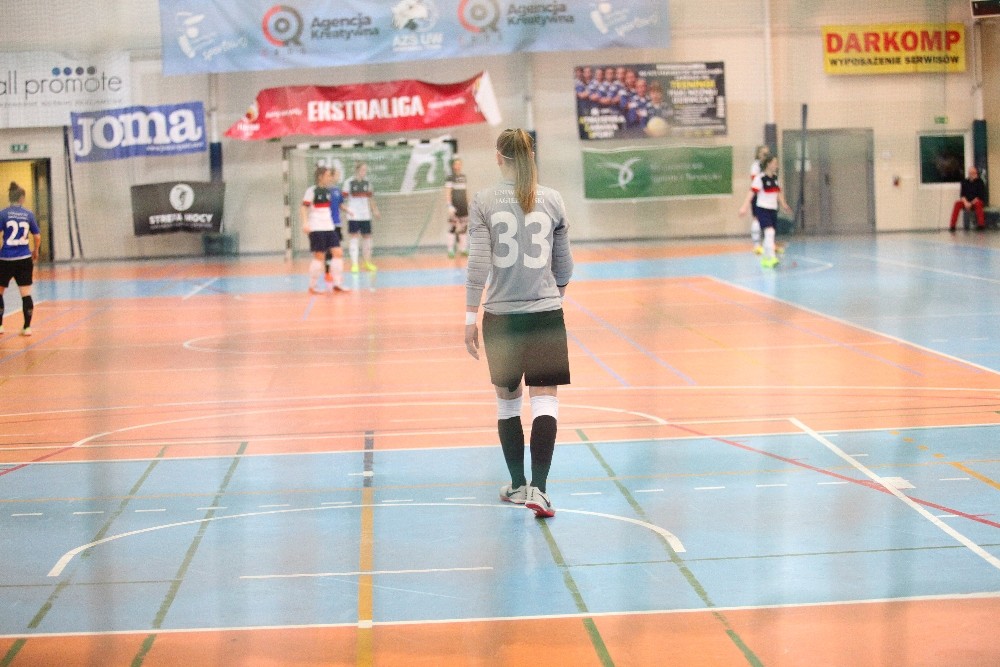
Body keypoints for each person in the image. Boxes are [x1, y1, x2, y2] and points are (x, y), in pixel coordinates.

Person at [464, 128, 574, 519]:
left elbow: (478, 265)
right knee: (545, 400)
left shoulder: (483, 201)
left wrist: (469, 317)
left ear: (499, 157)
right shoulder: (553, 199)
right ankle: (540, 491)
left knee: (508, 403)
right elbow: (565, 266)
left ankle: (516, 485)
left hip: (501, 318)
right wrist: (552, 298)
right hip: (545, 314)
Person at [0, 181, 41, 336]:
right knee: (26, 293)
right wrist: (35, 251)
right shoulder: (28, 214)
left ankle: (0, 326)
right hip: (24, 258)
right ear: (22, 198)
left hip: (5, 259)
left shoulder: (3, 214)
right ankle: (27, 327)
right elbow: (37, 236)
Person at [300, 165, 348, 294]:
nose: (330, 178)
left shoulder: (328, 191)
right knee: (319, 256)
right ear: (320, 177)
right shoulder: (312, 191)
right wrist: (305, 223)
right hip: (316, 228)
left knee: (338, 252)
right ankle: (312, 285)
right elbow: (304, 207)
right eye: (327, 175)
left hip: (329, 227)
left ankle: (337, 283)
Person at [739, 154, 791, 268]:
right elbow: (751, 193)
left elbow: (778, 192)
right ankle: (771, 257)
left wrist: (784, 204)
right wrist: (744, 207)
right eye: (775, 163)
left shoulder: (776, 178)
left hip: (773, 209)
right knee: (769, 232)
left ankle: (766, 258)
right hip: (762, 209)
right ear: (768, 164)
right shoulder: (760, 178)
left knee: (770, 234)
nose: (777, 165)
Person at [343, 162, 381, 273]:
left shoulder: (367, 182)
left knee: (367, 238)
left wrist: (375, 210)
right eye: (363, 169)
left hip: (365, 215)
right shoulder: (348, 182)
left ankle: (367, 262)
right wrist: (347, 210)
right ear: (357, 170)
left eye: (365, 170)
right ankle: (354, 264)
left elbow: (371, 198)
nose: (364, 172)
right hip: (353, 215)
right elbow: (343, 199)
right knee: (354, 238)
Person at [444, 156, 469, 258]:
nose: (457, 166)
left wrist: (468, 203)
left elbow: (465, 192)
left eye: (459, 164)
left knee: (463, 227)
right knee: (453, 227)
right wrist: (449, 205)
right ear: (453, 166)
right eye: (456, 164)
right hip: (454, 206)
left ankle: (463, 249)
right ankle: (450, 250)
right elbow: (448, 192)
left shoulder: (463, 177)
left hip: (463, 206)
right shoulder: (450, 178)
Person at [747, 145, 770, 254]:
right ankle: (756, 245)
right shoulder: (755, 166)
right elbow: (756, 181)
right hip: (758, 195)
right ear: (758, 154)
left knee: (767, 219)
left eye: (767, 154)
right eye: (763, 153)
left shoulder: (767, 166)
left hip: (767, 196)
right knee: (757, 218)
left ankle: (767, 243)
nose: (765, 156)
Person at [949, 165, 987, 231]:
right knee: (957, 204)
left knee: (978, 204)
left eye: (973, 173)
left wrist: (971, 203)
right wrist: (966, 203)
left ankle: (981, 225)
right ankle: (952, 226)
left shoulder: (980, 182)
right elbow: (962, 195)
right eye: (970, 173)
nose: (972, 175)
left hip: (976, 202)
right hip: (966, 202)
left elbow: (980, 196)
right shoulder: (964, 182)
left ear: (976, 173)